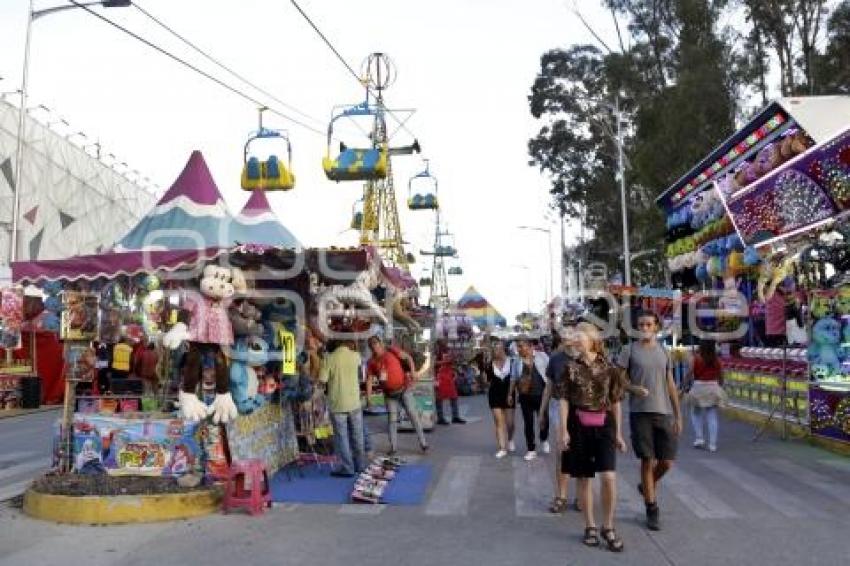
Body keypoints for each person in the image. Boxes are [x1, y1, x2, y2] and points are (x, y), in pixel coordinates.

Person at [558, 322, 635, 553]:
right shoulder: (569, 367)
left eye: (582, 334)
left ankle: (608, 526)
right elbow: (563, 399)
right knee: (584, 478)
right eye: (576, 335)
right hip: (579, 424)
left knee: (609, 477)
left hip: (605, 425)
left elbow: (616, 401)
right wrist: (564, 430)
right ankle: (590, 525)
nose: (578, 338)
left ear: (592, 338)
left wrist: (619, 433)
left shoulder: (610, 368)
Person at [617, 310, 683, 532]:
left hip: (663, 412)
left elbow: (670, 383)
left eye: (648, 324)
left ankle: (645, 487)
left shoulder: (664, 352)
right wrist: (632, 388)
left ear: (656, 327)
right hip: (640, 413)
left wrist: (678, 415)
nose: (644, 328)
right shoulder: (629, 350)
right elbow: (618, 378)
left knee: (667, 462)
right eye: (641, 325)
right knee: (647, 460)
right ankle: (652, 508)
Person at [366, 335, 429, 454]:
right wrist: (369, 399)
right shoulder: (371, 362)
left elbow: (409, 358)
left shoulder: (391, 350)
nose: (375, 348)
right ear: (370, 348)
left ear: (380, 343)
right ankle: (393, 447)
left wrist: (413, 372)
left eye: (376, 344)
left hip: (404, 389)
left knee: (413, 416)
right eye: (372, 346)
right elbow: (369, 380)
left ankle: (423, 443)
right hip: (389, 394)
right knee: (392, 420)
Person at [541, 325, 578, 513]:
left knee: (581, 450)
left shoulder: (586, 356)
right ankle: (561, 495)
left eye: (571, 332)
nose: (567, 336)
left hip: (581, 407)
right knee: (562, 450)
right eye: (564, 334)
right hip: (557, 405)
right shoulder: (555, 359)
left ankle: (581, 494)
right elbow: (548, 387)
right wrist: (542, 412)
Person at [319, 340, 367, 477]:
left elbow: (322, 380)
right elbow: (361, 375)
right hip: (354, 401)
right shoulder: (355, 356)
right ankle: (360, 465)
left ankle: (347, 468)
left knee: (342, 438)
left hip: (338, 403)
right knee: (357, 434)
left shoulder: (329, 358)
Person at [511, 336, 550, 461]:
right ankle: (531, 449)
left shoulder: (542, 356)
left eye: (521, 346)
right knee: (528, 423)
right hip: (525, 396)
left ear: (530, 346)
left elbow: (550, 373)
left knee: (544, 420)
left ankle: (544, 438)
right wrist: (510, 394)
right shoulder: (516, 361)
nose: (519, 349)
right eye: (518, 347)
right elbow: (513, 378)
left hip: (541, 395)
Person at [685, 339, 727, 452]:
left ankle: (699, 438)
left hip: (698, 387)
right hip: (713, 386)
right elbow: (721, 375)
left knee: (695, 412)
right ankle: (712, 444)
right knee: (712, 416)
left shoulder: (696, 359)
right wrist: (720, 386)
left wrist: (683, 385)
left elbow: (689, 373)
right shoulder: (717, 360)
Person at [483, 339, 515, 458]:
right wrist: (483, 375)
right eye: (494, 349)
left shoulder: (512, 361)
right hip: (494, 394)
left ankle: (510, 439)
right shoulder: (489, 363)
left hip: (509, 395)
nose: (496, 351)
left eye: (498, 348)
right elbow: (486, 382)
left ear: (503, 349)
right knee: (499, 421)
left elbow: (515, 379)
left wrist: (513, 393)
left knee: (510, 423)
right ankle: (502, 448)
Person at [435, 354, 466, 425]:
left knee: (454, 398)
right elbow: (434, 363)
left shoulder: (450, 360)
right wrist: (445, 361)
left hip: (449, 379)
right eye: (446, 357)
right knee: (439, 399)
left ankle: (455, 417)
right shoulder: (436, 353)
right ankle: (440, 418)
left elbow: (453, 361)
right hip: (441, 380)